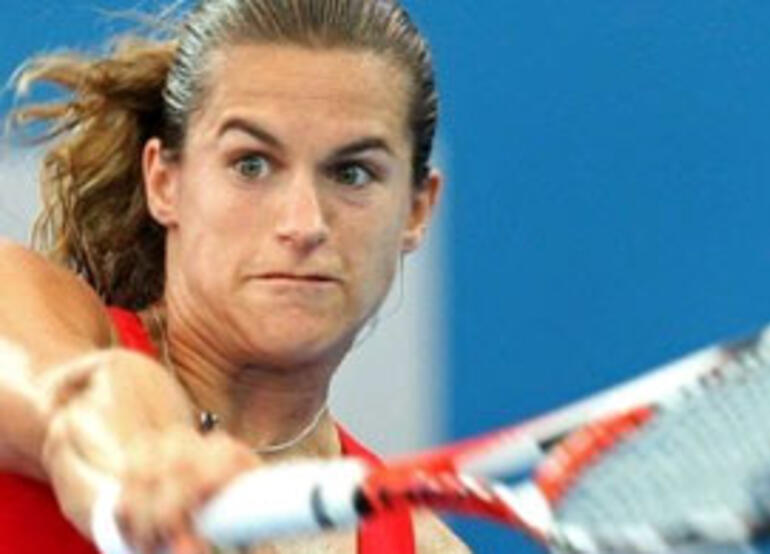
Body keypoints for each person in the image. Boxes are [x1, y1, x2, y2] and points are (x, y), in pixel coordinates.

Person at [0, 1, 469, 553]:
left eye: (352, 173)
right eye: (251, 164)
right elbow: (73, 395)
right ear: (164, 182)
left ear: (416, 210)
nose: (304, 224)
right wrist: (142, 458)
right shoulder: (17, 296)